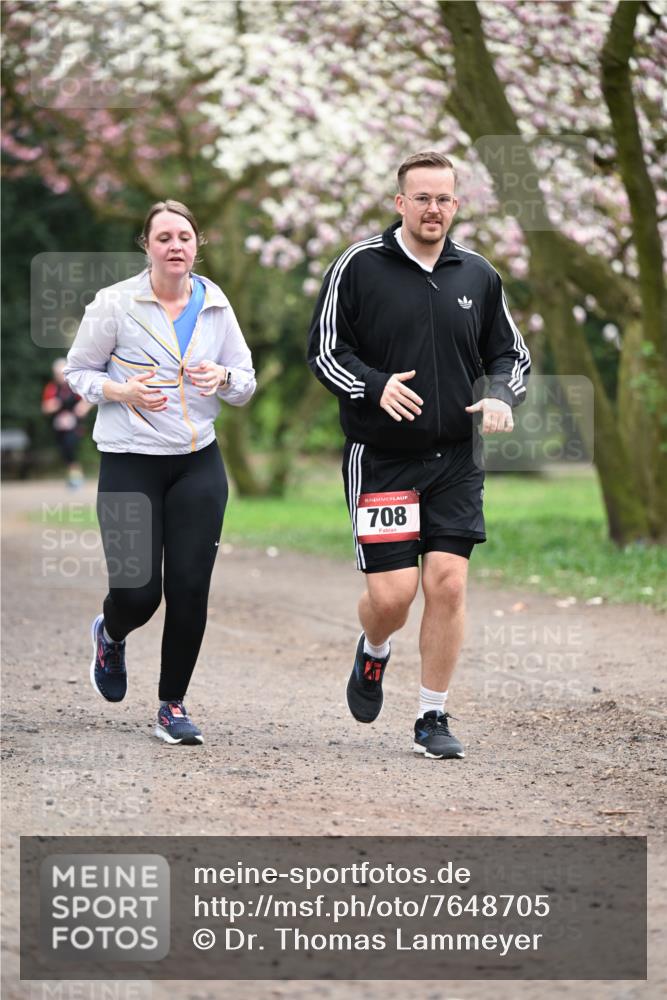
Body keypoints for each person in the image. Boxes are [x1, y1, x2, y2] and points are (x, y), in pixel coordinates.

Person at [307, 151, 530, 760]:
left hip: (456, 457)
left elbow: (511, 353)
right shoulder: (358, 266)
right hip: (383, 459)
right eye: (423, 198)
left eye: (444, 199)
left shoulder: (477, 274)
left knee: (448, 583)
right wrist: (373, 385)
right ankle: (374, 649)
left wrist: (500, 394)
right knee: (393, 597)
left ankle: (432, 714)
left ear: (457, 204)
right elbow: (325, 350)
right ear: (400, 203)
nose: (434, 209)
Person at [65, 199, 256, 746]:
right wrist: (120, 390)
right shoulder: (115, 304)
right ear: (146, 246)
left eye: (185, 237)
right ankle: (110, 633)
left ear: (197, 245)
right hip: (130, 461)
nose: (176, 246)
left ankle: (172, 706)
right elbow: (78, 371)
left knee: (190, 588)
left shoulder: (215, 305)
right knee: (138, 595)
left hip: (198, 463)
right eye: (165, 237)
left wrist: (222, 377)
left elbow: (245, 382)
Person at [41, 358, 91, 487]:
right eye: (57, 374)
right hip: (59, 427)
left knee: (70, 446)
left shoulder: (75, 386)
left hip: (75, 425)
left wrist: (80, 409)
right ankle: (74, 475)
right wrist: (54, 406)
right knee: (64, 451)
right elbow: (45, 407)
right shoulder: (52, 388)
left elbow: (88, 399)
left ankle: (76, 477)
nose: (60, 377)